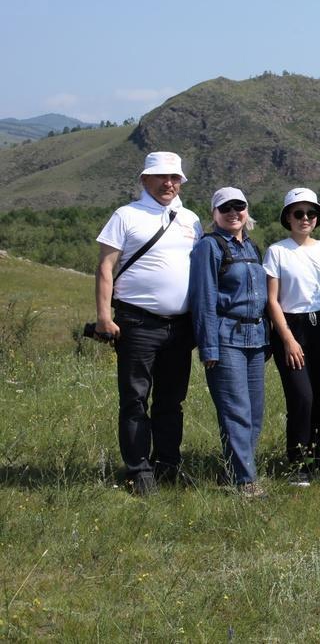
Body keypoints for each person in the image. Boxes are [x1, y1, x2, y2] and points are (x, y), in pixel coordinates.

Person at [94, 151, 202, 495]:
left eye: (175, 178)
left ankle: (167, 464)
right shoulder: (125, 216)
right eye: (161, 177)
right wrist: (103, 317)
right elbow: (105, 268)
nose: (168, 183)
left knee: (172, 400)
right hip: (137, 322)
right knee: (135, 399)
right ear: (145, 180)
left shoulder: (191, 219)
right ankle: (139, 470)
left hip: (180, 326)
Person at [188, 187, 268, 497]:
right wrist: (209, 346)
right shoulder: (209, 247)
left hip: (255, 339)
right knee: (236, 411)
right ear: (214, 214)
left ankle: (236, 469)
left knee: (255, 412)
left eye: (240, 206)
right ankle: (245, 481)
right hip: (226, 338)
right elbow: (204, 298)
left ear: (247, 210)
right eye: (226, 207)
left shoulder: (252, 247)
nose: (234, 212)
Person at [264, 188, 320, 486]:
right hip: (292, 326)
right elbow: (272, 300)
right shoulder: (277, 251)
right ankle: (296, 462)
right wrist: (287, 338)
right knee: (302, 397)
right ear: (288, 217)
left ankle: (317, 460)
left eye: (310, 213)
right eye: (298, 213)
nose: (305, 218)